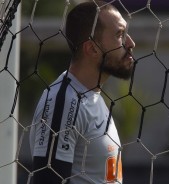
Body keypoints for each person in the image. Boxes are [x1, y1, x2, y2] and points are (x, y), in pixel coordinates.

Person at [29, 1, 135, 184]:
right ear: (92, 48)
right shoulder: (63, 101)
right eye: (120, 34)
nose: (130, 42)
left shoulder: (93, 97)